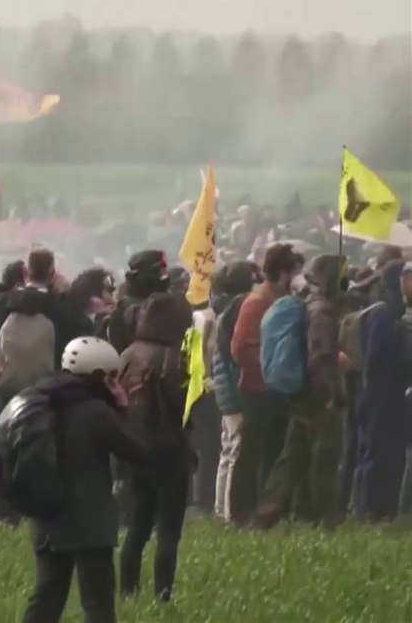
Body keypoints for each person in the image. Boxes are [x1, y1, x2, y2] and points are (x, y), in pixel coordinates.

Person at [21, 337, 149, 623]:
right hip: (89, 523)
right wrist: (123, 407)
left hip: (47, 517)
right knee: (98, 605)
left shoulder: (40, 401)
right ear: (99, 375)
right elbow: (138, 453)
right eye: (111, 375)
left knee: (46, 599)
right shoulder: (96, 412)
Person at [255, 254, 348, 528]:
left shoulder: (308, 304)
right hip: (317, 394)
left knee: (292, 457)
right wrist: (333, 393)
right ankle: (327, 519)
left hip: (303, 392)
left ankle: (267, 513)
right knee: (325, 456)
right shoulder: (322, 311)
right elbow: (321, 355)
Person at [117, 291, 193, 603]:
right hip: (170, 448)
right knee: (168, 532)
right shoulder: (175, 356)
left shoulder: (128, 353)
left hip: (134, 446)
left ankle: (127, 592)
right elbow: (182, 405)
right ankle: (163, 595)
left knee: (136, 528)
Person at [228, 244, 302, 524]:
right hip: (258, 390)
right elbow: (240, 348)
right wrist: (270, 370)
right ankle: (241, 511)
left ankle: (267, 509)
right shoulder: (258, 301)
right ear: (284, 273)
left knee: (274, 449)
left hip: (278, 389)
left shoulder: (283, 300)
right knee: (251, 451)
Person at [355, 260, 411, 522]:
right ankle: (372, 509)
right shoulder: (383, 314)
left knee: (391, 452)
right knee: (376, 451)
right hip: (380, 392)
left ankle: (384, 508)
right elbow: (377, 355)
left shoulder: (392, 312)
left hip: (392, 393)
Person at [207, 262, 258, 522]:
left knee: (227, 451)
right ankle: (229, 510)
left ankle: (220, 508)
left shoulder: (223, 308)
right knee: (235, 450)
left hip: (223, 388)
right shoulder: (239, 308)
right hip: (233, 389)